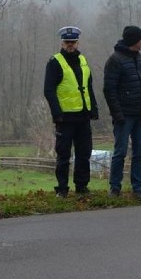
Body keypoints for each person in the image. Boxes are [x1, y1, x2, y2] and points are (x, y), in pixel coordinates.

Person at [43, 26, 99, 198]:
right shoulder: (54, 62)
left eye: (73, 42)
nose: (70, 45)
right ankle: (62, 188)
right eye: (67, 42)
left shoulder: (83, 60)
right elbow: (49, 90)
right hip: (65, 118)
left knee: (84, 154)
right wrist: (56, 113)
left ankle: (82, 187)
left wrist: (94, 109)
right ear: (62, 42)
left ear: (77, 42)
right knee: (64, 155)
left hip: (83, 116)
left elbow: (88, 87)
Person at [103, 25, 141, 200]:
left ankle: (138, 187)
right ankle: (114, 188)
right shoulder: (115, 60)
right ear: (134, 41)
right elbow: (109, 90)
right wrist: (117, 114)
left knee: (139, 152)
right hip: (124, 116)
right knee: (120, 152)